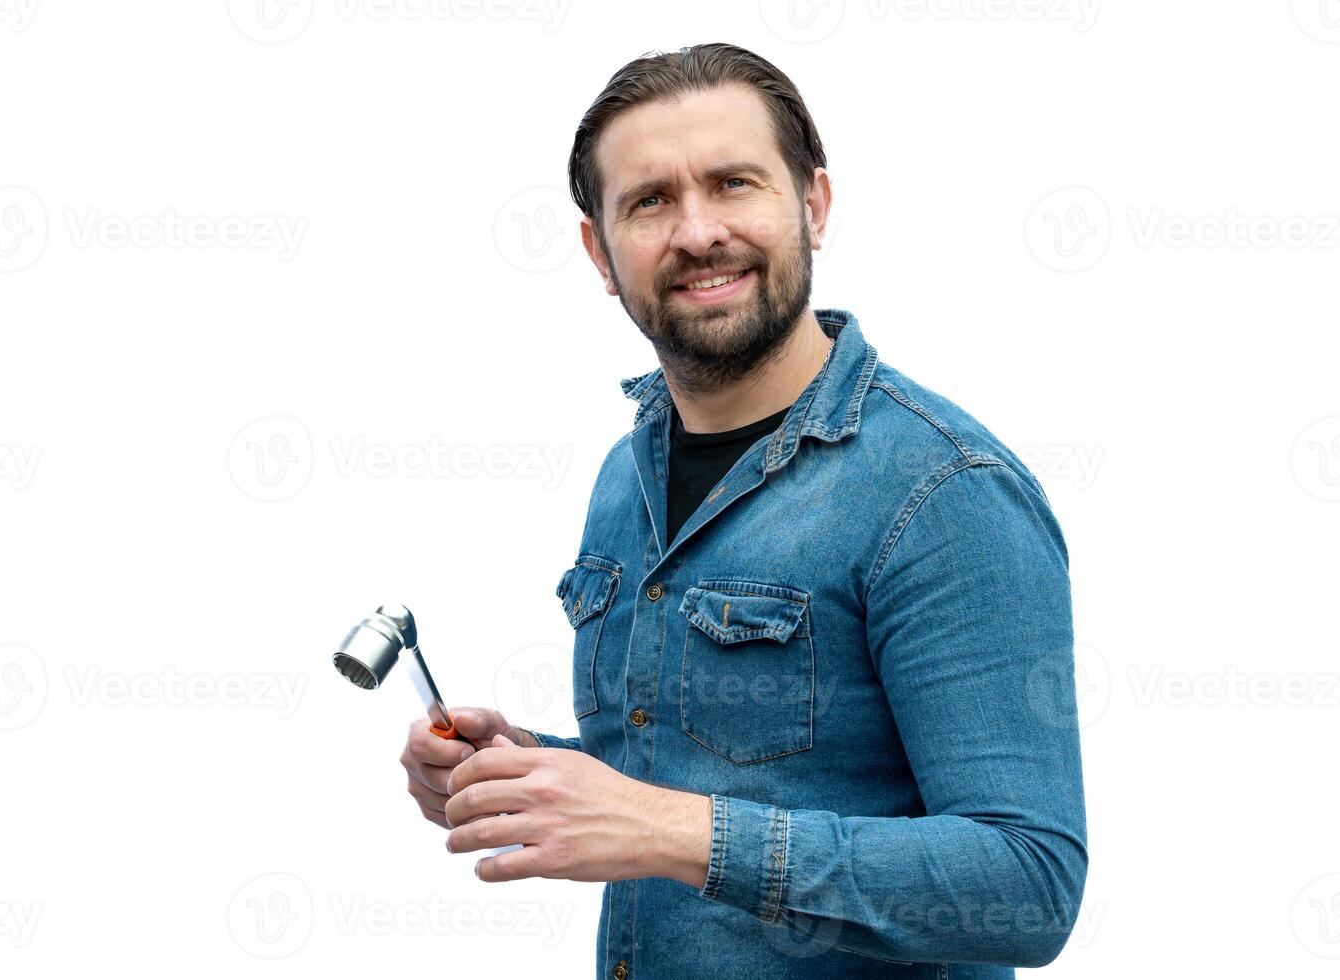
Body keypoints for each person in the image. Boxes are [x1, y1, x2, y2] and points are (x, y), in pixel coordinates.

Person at [399, 42, 1087, 979]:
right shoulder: (624, 473)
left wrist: (665, 828)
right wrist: (531, 773)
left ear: (812, 206)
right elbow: (681, 788)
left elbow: (1028, 885)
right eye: (649, 201)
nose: (696, 232)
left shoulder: (943, 491)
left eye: (733, 183)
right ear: (601, 251)